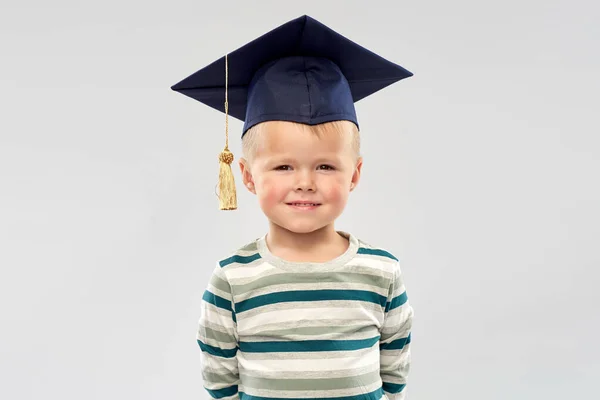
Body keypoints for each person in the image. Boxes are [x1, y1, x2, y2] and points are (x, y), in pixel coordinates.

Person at [171, 15, 414, 400]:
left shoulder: (381, 271)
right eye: (283, 166)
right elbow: (219, 372)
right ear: (248, 177)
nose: (305, 182)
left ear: (354, 174)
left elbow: (395, 361)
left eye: (326, 166)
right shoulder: (233, 278)